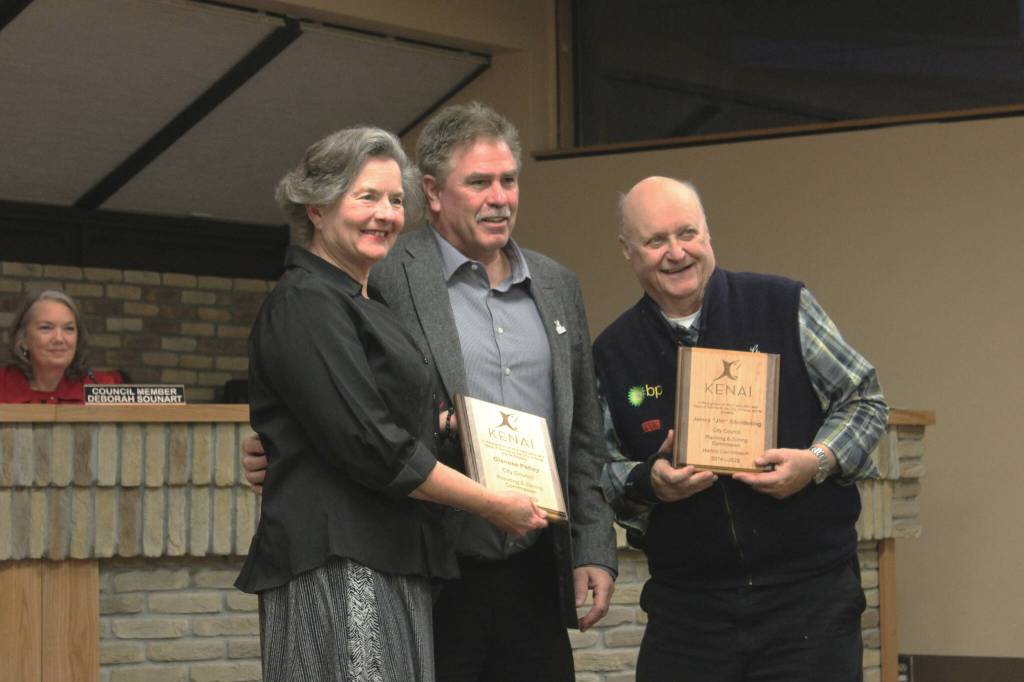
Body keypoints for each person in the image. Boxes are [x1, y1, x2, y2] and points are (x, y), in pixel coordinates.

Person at [243, 103, 617, 681]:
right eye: (479, 182)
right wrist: (286, 441)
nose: (499, 197)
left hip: (525, 558)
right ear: (435, 194)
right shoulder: (376, 274)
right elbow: (355, 423)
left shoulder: (556, 285)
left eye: (508, 180)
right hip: (427, 559)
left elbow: (583, 430)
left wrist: (593, 543)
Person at [594, 176, 889, 682]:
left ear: (708, 232)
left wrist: (814, 462)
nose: (676, 252)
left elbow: (864, 400)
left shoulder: (782, 303)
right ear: (627, 251)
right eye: (655, 241)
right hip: (689, 612)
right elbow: (600, 469)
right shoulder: (613, 352)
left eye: (687, 233)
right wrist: (650, 483)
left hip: (809, 601)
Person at [1, 289, 123, 403]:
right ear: (22, 339)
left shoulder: (100, 385)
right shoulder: (3, 384)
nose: (59, 339)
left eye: (69, 328)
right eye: (46, 328)